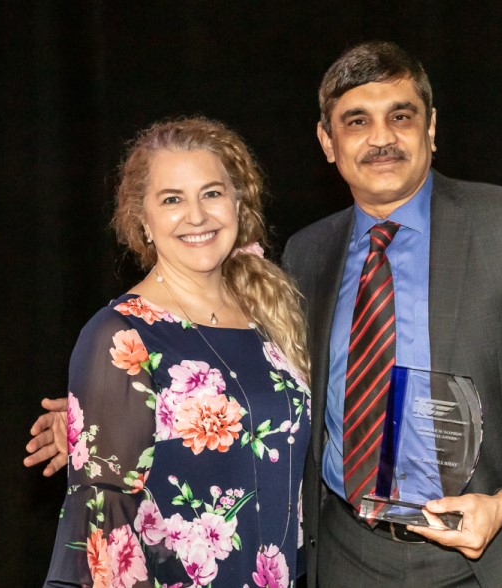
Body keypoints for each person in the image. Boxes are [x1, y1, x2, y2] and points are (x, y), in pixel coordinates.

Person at [27, 42, 502, 587]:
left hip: (494, 559)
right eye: (356, 122)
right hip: (345, 561)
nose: (381, 138)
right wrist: (105, 423)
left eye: (401, 115)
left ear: (432, 128)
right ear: (327, 142)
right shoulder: (309, 256)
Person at [35, 117, 311, 587]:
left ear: (237, 203)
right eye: (172, 200)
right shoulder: (119, 335)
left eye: (212, 193)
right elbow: (106, 528)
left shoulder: (270, 318)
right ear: (143, 219)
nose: (197, 216)